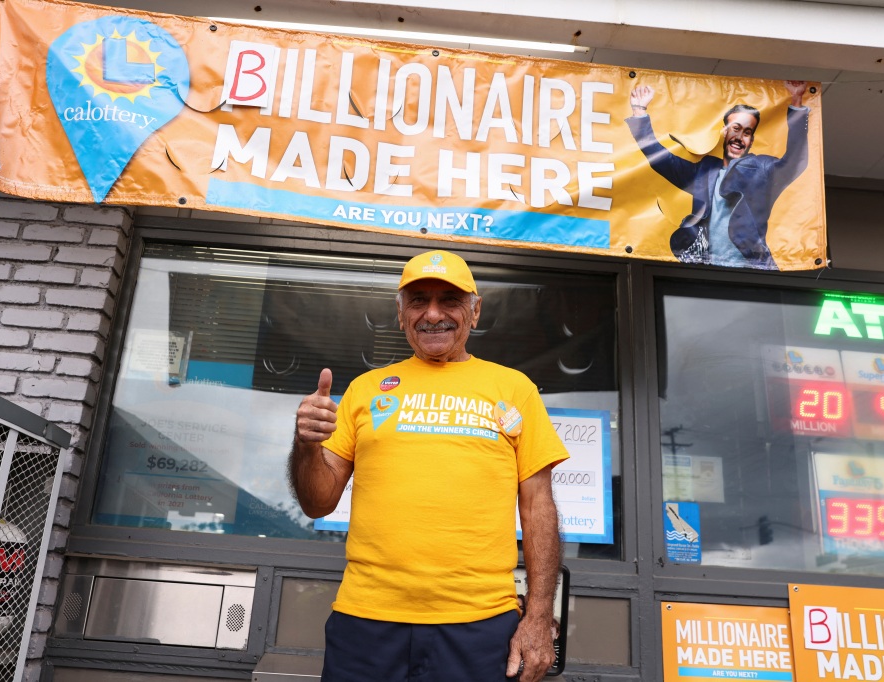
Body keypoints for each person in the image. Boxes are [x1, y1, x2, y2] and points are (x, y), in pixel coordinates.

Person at [289, 249, 568, 682]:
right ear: (400, 315)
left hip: (479, 623)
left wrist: (538, 616)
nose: (433, 314)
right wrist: (306, 445)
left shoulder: (514, 389)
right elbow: (317, 502)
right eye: (418, 300)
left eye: (449, 300)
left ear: (475, 312)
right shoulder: (365, 390)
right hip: (367, 619)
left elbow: (538, 508)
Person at [626, 80, 810, 268]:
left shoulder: (761, 168)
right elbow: (663, 161)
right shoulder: (705, 170)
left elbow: (795, 162)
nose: (739, 137)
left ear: (752, 141)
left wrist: (796, 102)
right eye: (736, 129)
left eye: (747, 132)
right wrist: (639, 112)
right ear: (724, 132)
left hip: (751, 271)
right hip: (708, 272)